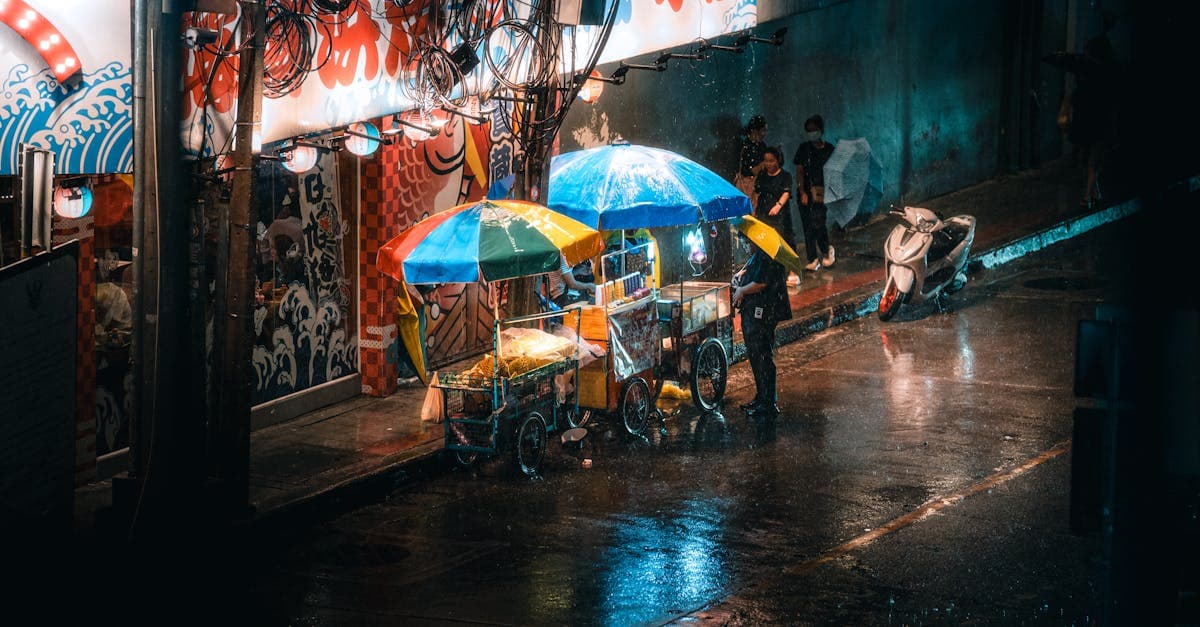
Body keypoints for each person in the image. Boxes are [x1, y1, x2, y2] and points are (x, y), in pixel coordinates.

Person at [731, 231, 791, 417]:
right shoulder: (757, 256)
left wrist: (741, 290)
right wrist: (741, 275)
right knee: (756, 356)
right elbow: (753, 274)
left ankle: (768, 402)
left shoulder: (766, 255)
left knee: (762, 355)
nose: (745, 246)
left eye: (746, 242)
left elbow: (761, 283)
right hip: (756, 311)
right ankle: (761, 397)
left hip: (763, 312)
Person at [1063, 11, 1118, 209]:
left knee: (1089, 156)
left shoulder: (1086, 72)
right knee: (1095, 157)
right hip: (1098, 118)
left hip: (1087, 118)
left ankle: (1092, 191)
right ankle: (1088, 193)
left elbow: (1077, 96)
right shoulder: (1106, 73)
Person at [793, 114, 836, 271]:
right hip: (806, 192)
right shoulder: (804, 148)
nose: (812, 133)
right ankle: (812, 259)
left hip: (822, 192)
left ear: (821, 130)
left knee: (818, 222)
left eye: (814, 130)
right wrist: (802, 190)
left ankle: (826, 250)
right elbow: (799, 171)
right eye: (809, 130)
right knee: (807, 225)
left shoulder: (830, 149)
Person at [751, 146, 799, 286]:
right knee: (766, 243)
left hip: (779, 213)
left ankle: (793, 270)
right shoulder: (762, 175)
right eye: (766, 161)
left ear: (778, 160)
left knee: (785, 241)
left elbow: (786, 192)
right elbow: (757, 191)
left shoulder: (785, 176)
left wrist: (778, 205)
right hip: (763, 211)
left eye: (771, 160)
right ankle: (770, 273)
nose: (768, 164)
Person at [735, 115, 769, 206]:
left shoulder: (761, 146)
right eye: (763, 130)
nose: (764, 133)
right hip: (747, 186)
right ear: (754, 131)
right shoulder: (744, 146)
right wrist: (765, 163)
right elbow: (752, 170)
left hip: (757, 186)